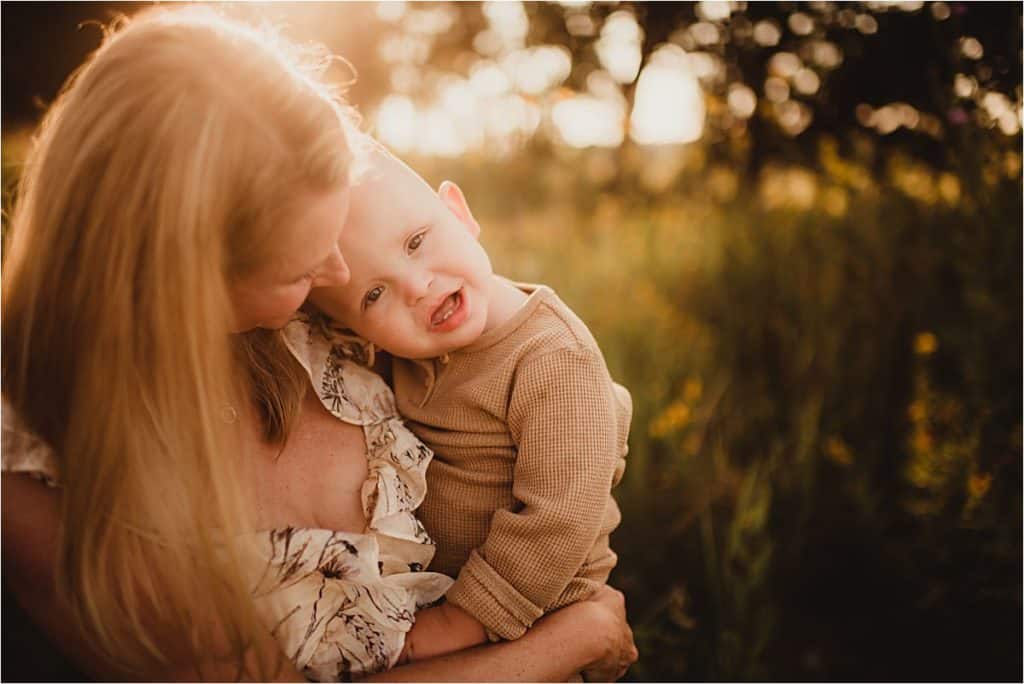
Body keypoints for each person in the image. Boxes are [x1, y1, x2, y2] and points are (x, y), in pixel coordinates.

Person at [1, 6, 638, 682]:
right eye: (304, 270)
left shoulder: (323, 332)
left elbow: (520, 376)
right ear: (187, 285)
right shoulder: (44, 469)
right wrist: (569, 643)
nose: (337, 277)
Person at [307, 145, 632, 652]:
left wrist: (465, 621)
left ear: (459, 213)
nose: (416, 286)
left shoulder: (551, 357)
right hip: (452, 603)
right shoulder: (409, 352)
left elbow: (558, 521)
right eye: (374, 295)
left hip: (539, 613)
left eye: (416, 242)